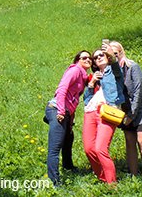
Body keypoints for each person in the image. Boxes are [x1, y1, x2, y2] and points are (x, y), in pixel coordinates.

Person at [110, 40, 142, 182]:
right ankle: (133, 175)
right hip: (126, 110)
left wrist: (132, 115)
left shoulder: (133, 67)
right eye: (111, 54)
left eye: (115, 53)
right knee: (130, 141)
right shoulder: (111, 72)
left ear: (121, 52)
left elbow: (139, 92)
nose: (114, 56)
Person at [45, 50, 92, 186]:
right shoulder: (75, 70)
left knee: (68, 139)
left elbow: (74, 100)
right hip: (56, 110)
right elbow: (62, 90)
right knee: (55, 147)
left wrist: (70, 122)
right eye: (84, 57)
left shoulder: (83, 75)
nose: (87, 60)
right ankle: (54, 181)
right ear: (78, 60)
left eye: (89, 58)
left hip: (66, 113)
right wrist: (60, 111)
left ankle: (68, 167)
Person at [82, 45, 125, 184]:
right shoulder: (95, 77)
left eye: (101, 55)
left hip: (107, 111)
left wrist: (111, 55)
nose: (98, 57)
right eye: (96, 57)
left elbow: (117, 68)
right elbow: (86, 101)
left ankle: (112, 184)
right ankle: (103, 177)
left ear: (107, 57)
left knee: (100, 148)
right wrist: (92, 82)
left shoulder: (114, 72)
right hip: (90, 112)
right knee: (89, 149)